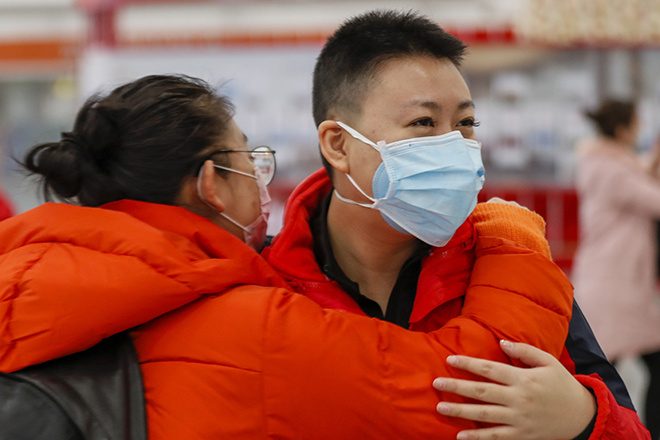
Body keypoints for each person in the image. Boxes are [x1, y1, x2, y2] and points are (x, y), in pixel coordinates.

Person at [0, 74, 576, 439]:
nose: (259, 175)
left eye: (464, 123)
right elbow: (473, 390)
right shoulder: (250, 329)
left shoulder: (31, 282)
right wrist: (514, 246)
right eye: (248, 159)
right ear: (211, 184)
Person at [261, 10, 650, 439]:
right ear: (338, 144)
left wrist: (584, 417)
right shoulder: (265, 285)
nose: (454, 145)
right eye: (423, 123)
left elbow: (631, 429)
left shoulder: (514, 272)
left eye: (465, 124)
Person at [572, 99, 660, 439]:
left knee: (607, 369)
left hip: (617, 282)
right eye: (637, 123)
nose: (641, 129)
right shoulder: (612, 170)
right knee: (602, 373)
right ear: (623, 130)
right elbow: (652, 199)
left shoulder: (610, 163)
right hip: (613, 285)